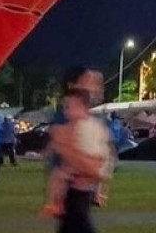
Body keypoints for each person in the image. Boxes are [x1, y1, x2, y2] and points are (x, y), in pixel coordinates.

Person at [42, 67, 109, 218]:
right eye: (87, 81)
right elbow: (62, 155)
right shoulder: (69, 116)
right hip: (72, 185)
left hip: (77, 185)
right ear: (73, 85)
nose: (93, 88)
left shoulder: (88, 119)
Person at [53, 88, 109, 233]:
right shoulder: (73, 128)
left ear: (81, 106)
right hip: (72, 192)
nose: (66, 111)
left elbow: (96, 168)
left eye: (69, 106)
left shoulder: (90, 130)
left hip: (81, 192)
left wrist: (67, 150)